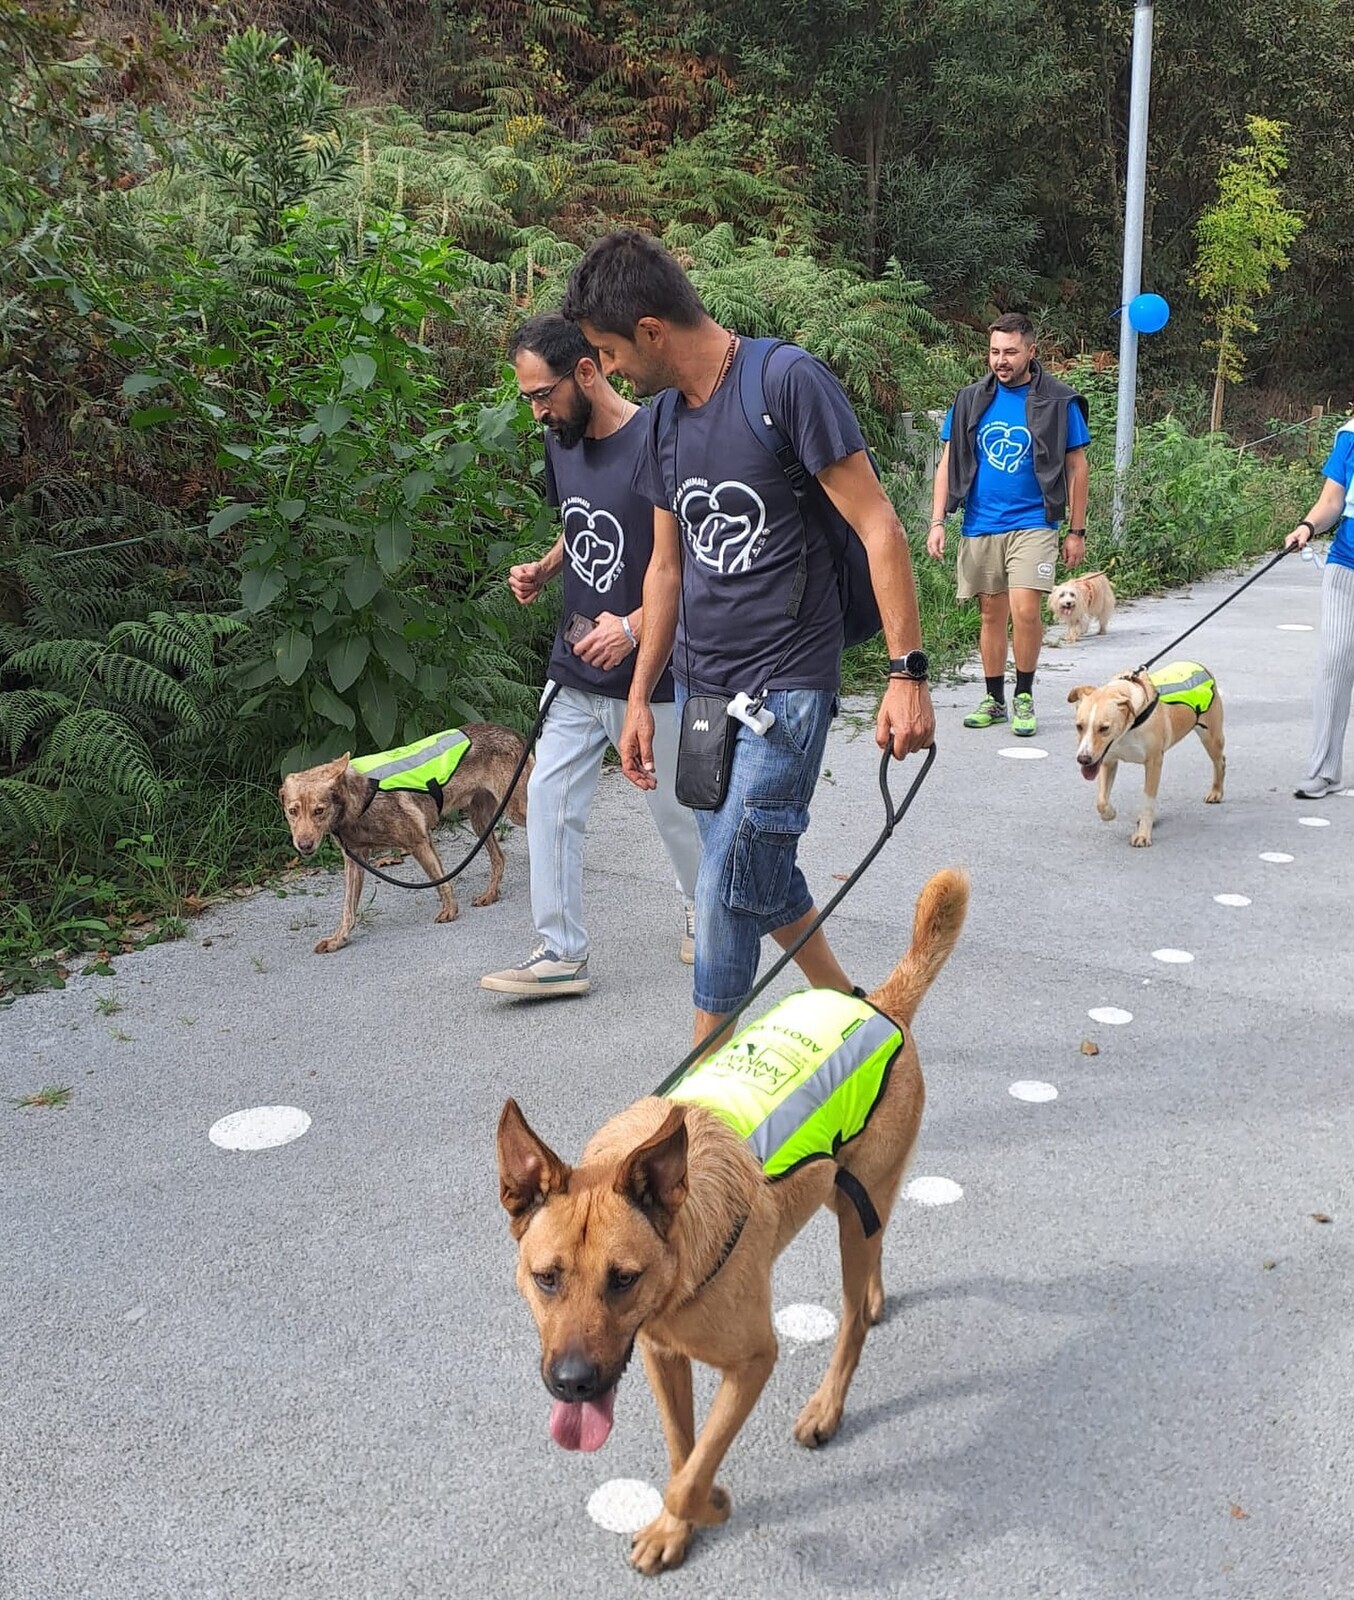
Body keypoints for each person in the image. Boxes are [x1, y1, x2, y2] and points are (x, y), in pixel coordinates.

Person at [560, 228, 935, 1055]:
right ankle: (855, 1015)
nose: (611, 370)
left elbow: (880, 528)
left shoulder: (785, 382)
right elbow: (664, 571)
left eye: (612, 351)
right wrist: (639, 697)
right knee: (753, 860)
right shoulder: (662, 425)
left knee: (727, 881)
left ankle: (698, 1092)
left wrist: (906, 674)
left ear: (652, 330)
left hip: (788, 683)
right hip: (699, 688)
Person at [480, 313, 702, 998]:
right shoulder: (562, 441)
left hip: (652, 669)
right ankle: (560, 952)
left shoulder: (660, 442)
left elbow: (694, 562)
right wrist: (548, 567)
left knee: (674, 810)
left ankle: (703, 908)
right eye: (528, 401)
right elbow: (579, 522)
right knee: (547, 797)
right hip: (576, 661)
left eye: (541, 395)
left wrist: (635, 625)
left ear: (587, 371)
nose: (538, 412)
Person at [926, 312, 1090, 738]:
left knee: (1026, 609)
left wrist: (1076, 530)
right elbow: (947, 463)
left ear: (1031, 352)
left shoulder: (1058, 401)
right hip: (981, 523)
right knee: (990, 614)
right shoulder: (968, 400)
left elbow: (1077, 466)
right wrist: (937, 520)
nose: (1001, 360)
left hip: (1033, 521)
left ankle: (1024, 695)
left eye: (1011, 352)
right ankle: (994, 698)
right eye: (995, 352)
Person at [1284, 415, 1354, 799]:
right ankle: (1325, 770)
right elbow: (1332, 500)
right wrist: (1307, 527)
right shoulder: (1350, 435)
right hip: (1347, 565)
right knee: (1334, 663)